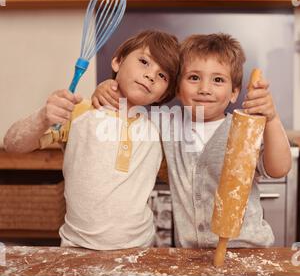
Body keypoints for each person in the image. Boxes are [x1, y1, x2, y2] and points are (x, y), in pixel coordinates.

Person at [91, 33, 292, 248]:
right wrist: (109, 88)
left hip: (247, 249)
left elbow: (279, 168)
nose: (204, 88)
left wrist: (271, 118)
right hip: (189, 253)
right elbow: (128, 114)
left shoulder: (244, 129)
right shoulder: (166, 124)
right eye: (194, 78)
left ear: (234, 92)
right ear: (177, 88)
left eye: (218, 80)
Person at [3, 30, 180, 250]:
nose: (151, 75)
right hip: (76, 247)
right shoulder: (80, 112)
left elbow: (179, 177)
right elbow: (12, 144)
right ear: (117, 61)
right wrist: (42, 117)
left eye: (162, 76)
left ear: (164, 95)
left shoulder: (156, 134)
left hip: (139, 249)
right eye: (144, 62)